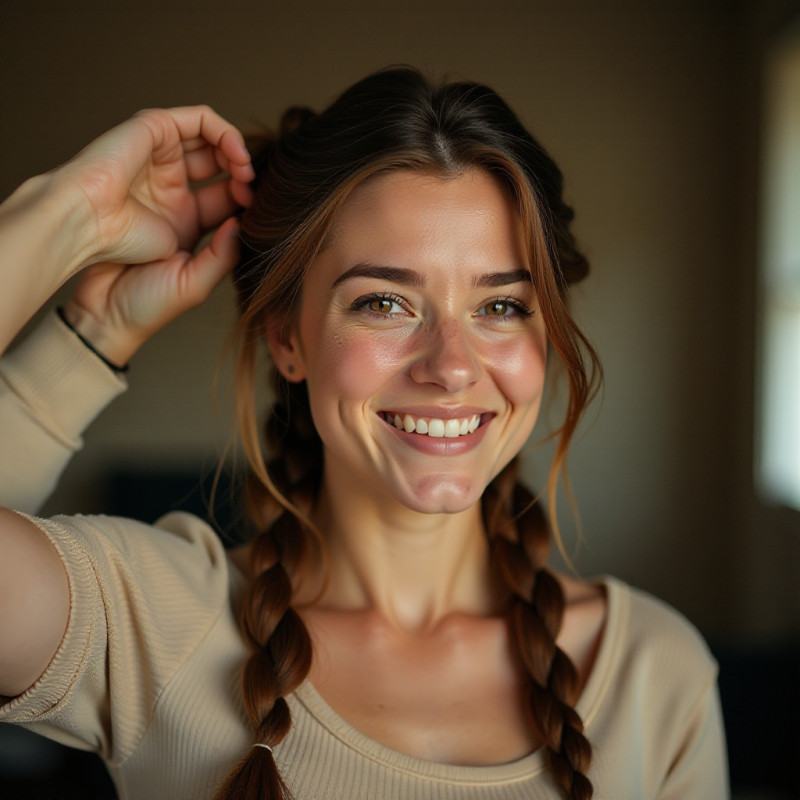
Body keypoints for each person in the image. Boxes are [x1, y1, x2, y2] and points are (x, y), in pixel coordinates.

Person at [0, 68, 728, 799]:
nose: (451, 367)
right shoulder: (154, 623)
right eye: (384, 302)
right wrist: (69, 225)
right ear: (288, 338)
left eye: (501, 307)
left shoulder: (655, 672)